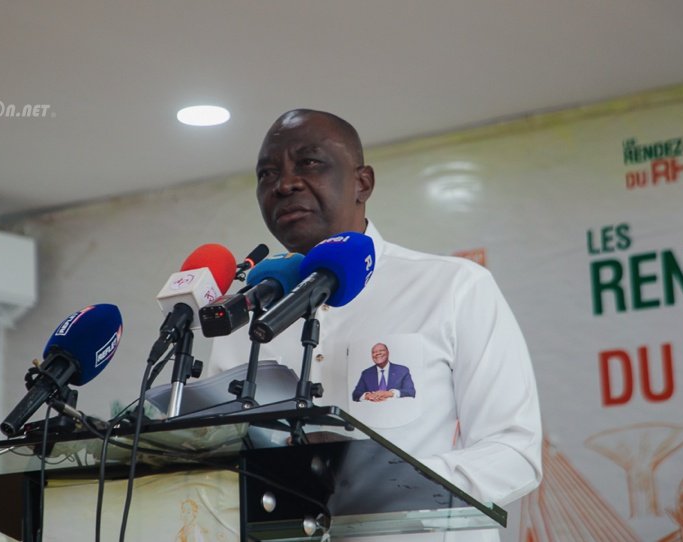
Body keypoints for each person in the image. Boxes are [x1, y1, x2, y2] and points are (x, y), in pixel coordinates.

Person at [208, 109, 542, 541]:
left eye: (309, 163)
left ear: (362, 183)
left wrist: (380, 479)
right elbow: (211, 458)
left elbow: (514, 452)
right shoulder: (245, 317)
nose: (284, 184)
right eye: (267, 174)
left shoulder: (453, 287)